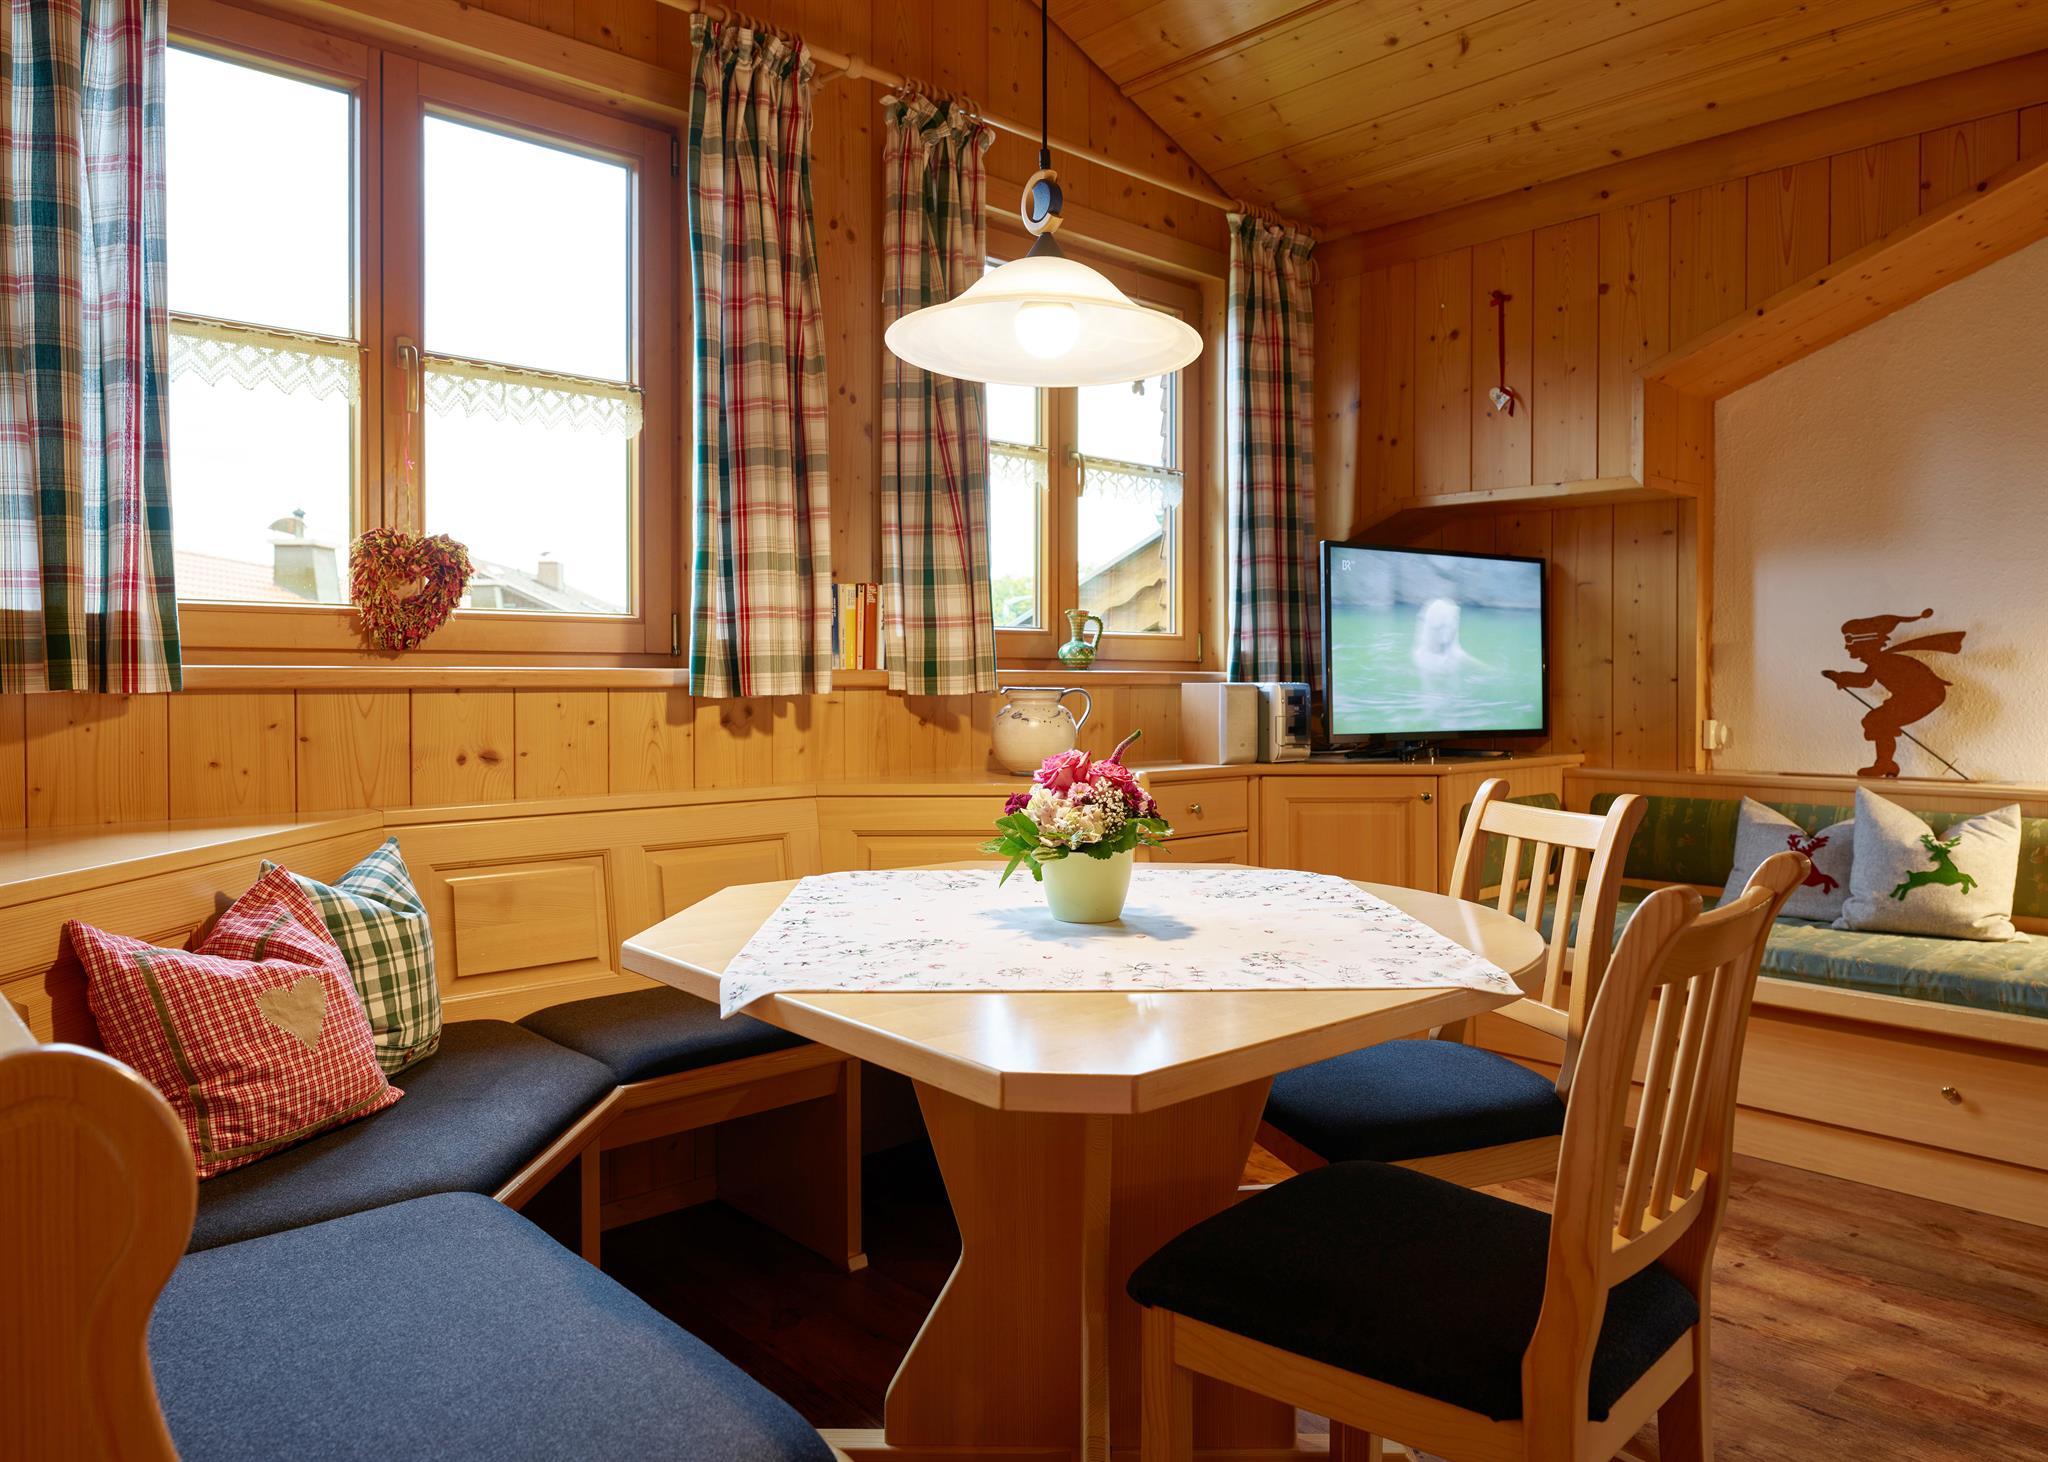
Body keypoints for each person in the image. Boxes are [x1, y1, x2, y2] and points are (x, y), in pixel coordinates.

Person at [1822, 609, 1965, 778]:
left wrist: (1840, 677)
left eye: (1849, 640)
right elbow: (1865, 680)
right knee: (1876, 721)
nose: (1846, 646)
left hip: (1925, 696)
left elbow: (1865, 681)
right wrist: (1839, 677)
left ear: (1864, 642)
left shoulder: (1883, 661)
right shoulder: (1881, 661)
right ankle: (1885, 764)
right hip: (1916, 696)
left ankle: (1884, 764)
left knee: (1878, 721)